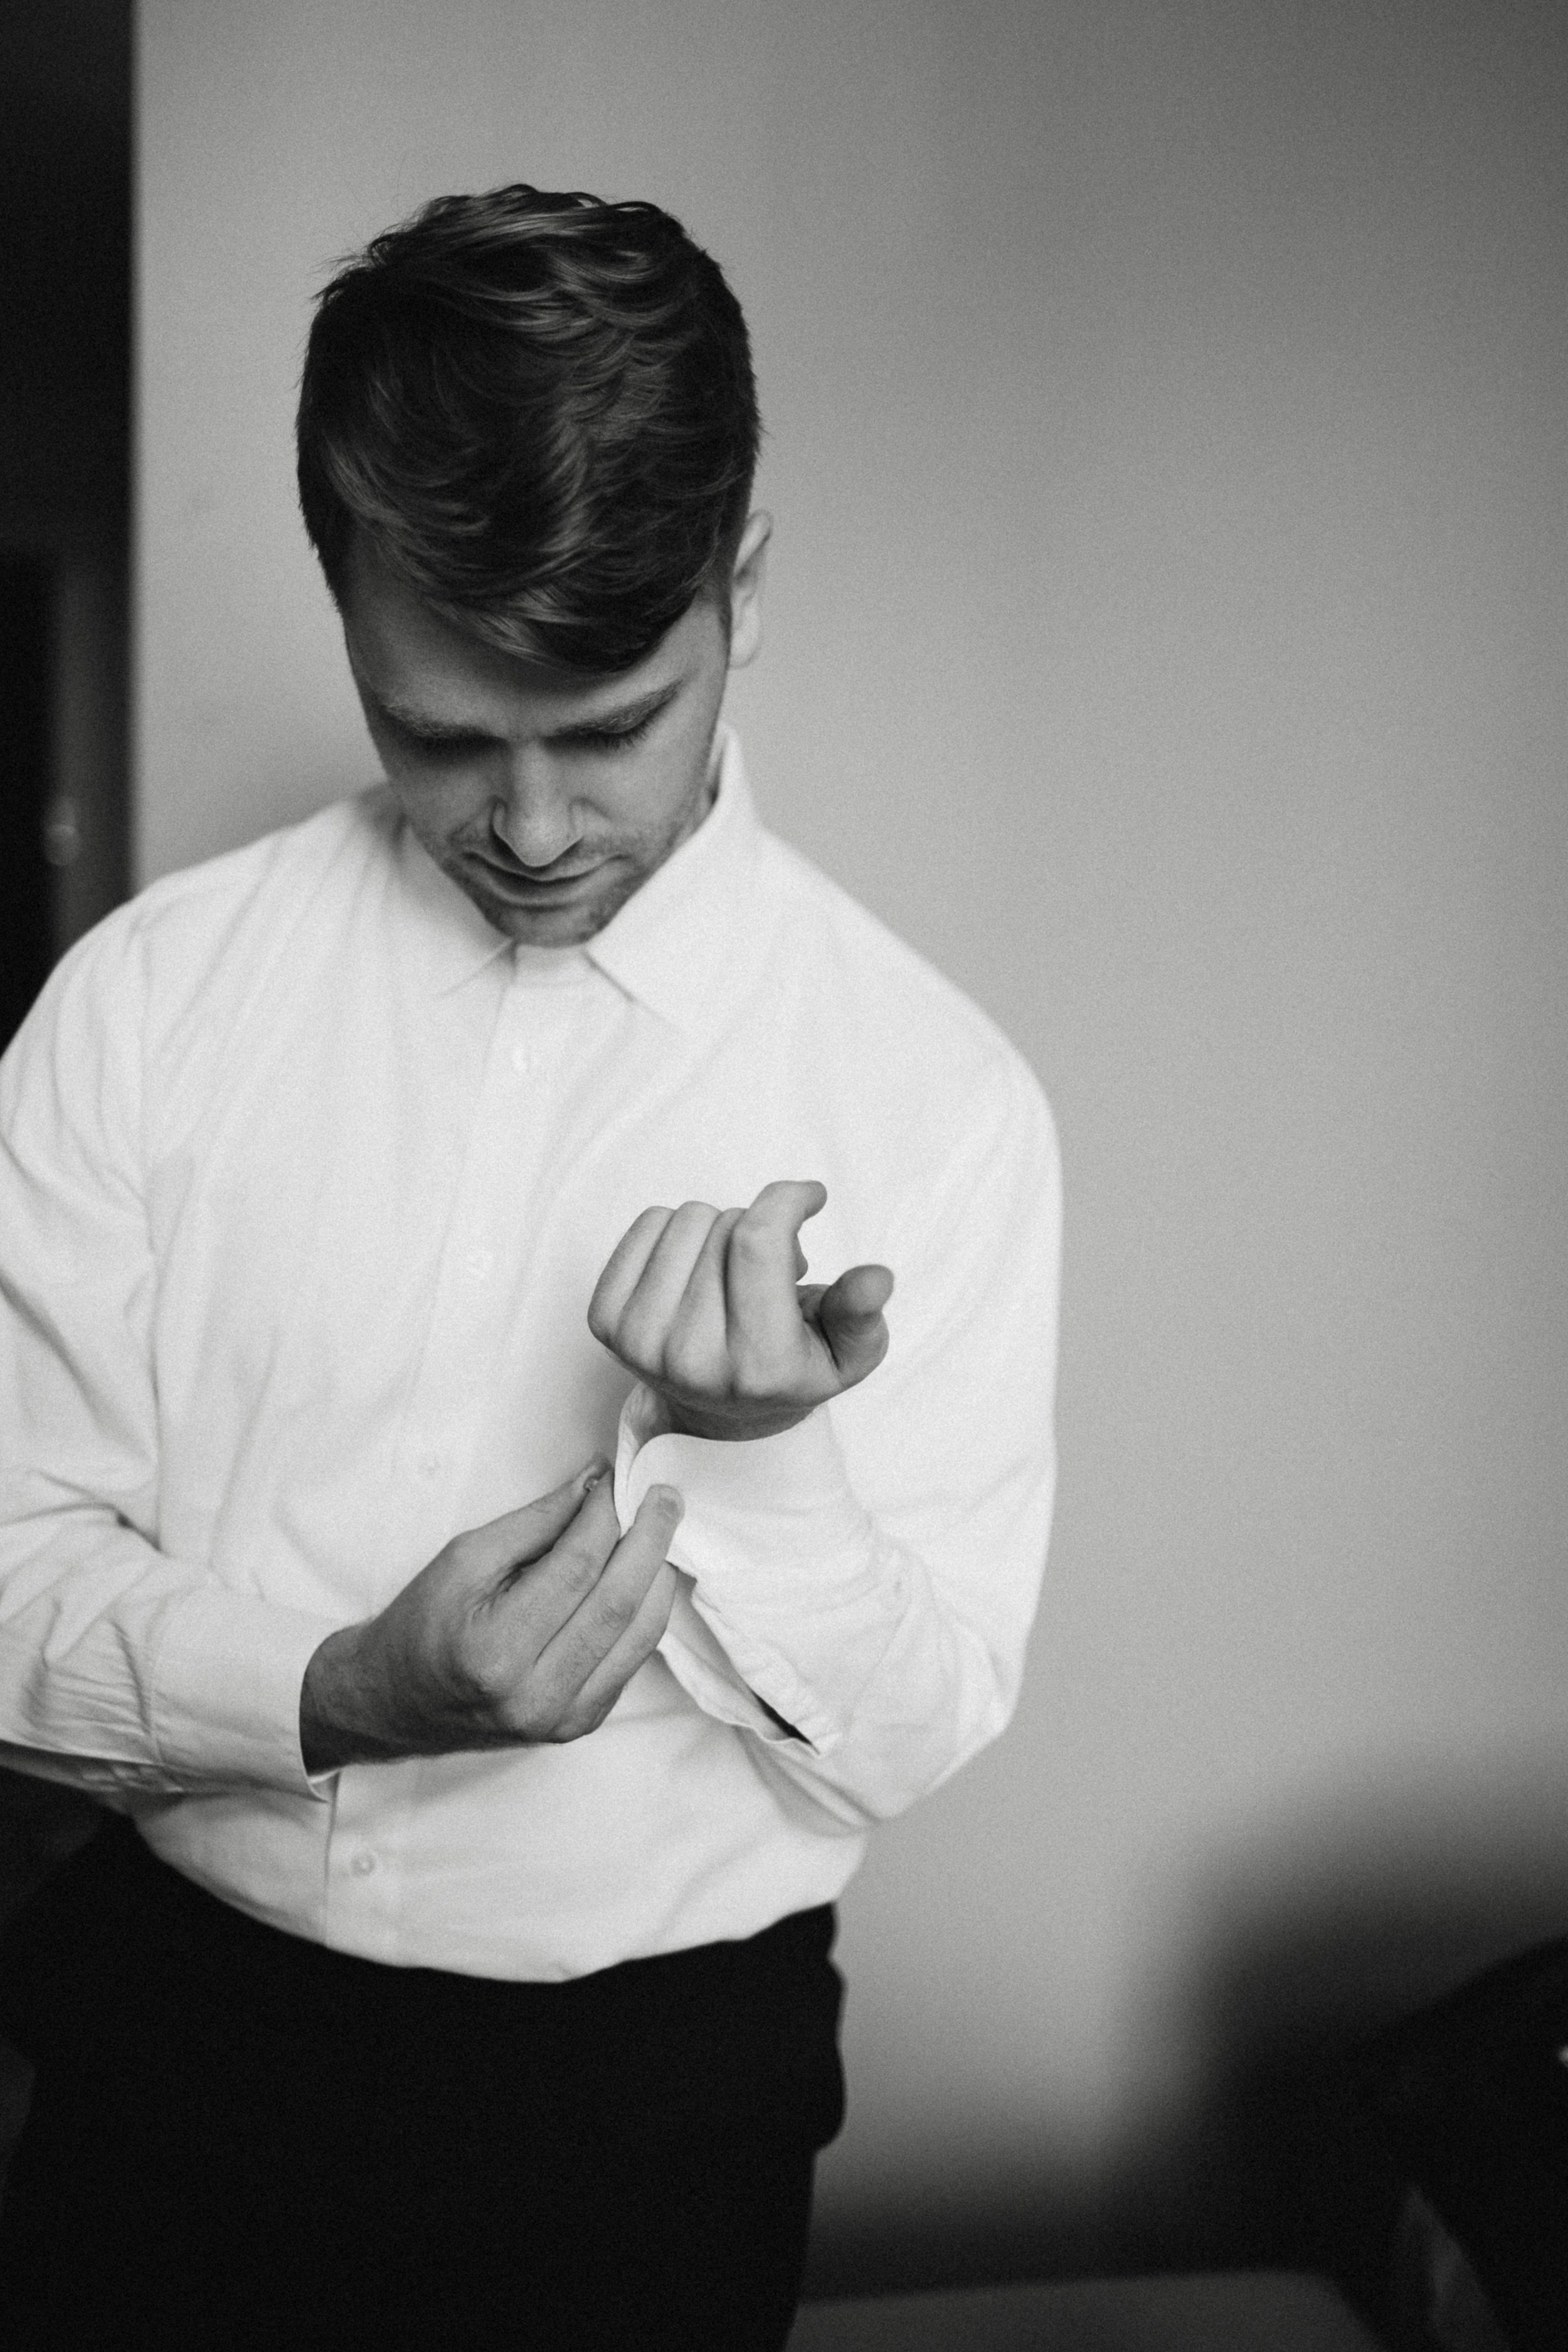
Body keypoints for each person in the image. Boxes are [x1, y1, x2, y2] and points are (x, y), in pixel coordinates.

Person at [0, 185, 1061, 2351]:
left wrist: (761, 1466)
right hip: (166, 2053)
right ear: (344, 608)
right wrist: (333, 1697)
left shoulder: (939, 1099)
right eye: (440, 730)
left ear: (736, 585)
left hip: (651, 2127)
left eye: (606, 728)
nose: (535, 827)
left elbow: (909, 1736)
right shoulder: (139, 1008)